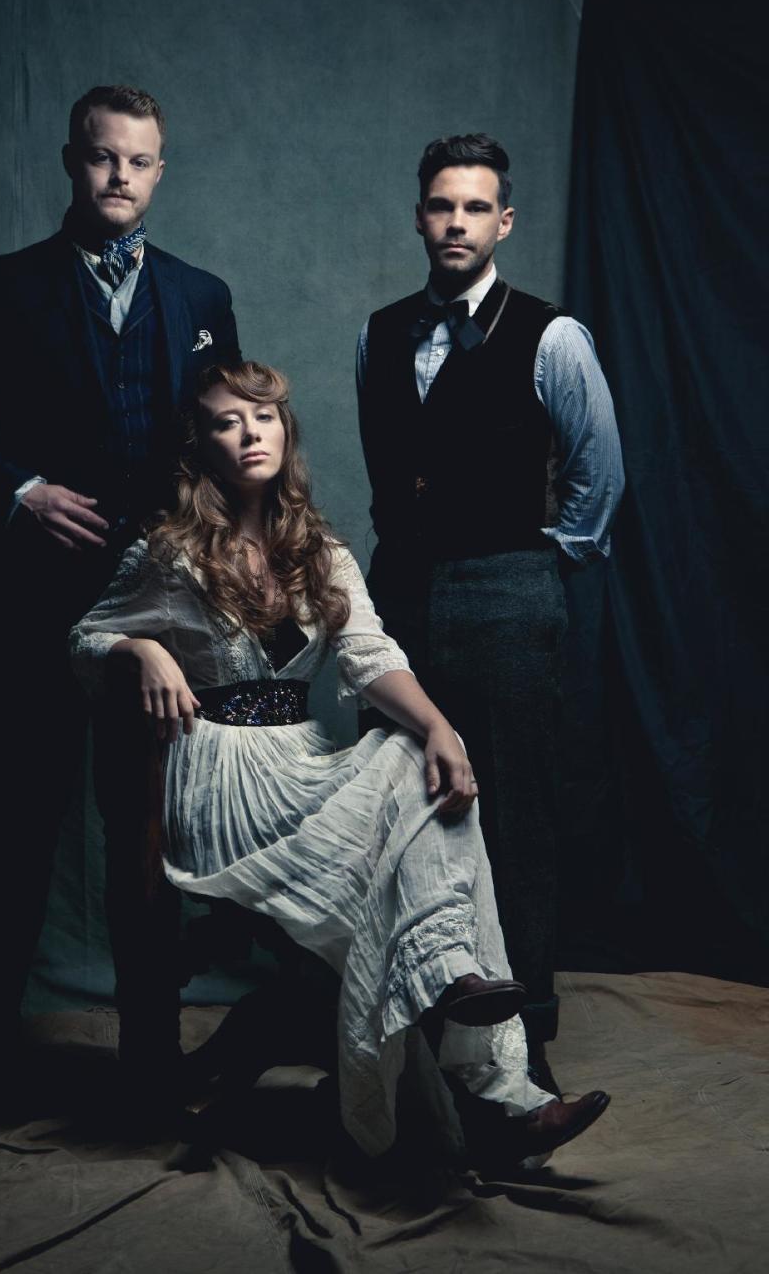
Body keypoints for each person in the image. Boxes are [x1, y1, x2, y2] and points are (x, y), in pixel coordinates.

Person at [69, 360, 610, 1167]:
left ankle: (492, 1067)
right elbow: (83, 636)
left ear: (287, 433)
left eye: (265, 419)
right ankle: (479, 1051)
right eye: (226, 422)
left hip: (303, 763)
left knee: (414, 759)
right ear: (203, 446)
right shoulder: (169, 552)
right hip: (218, 775)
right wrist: (139, 645)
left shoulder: (319, 550)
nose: (250, 435)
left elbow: (368, 654)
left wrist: (441, 729)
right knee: (405, 807)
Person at [0, 85, 239, 1109]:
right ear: (71, 161)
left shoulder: (201, 295)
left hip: (158, 615)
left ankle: (149, 1064)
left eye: (139, 161)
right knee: (17, 824)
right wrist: (19, 491)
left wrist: (212, 557)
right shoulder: (2, 286)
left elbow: (226, 444)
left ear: (160, 170)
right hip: (32, 605)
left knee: (147, 833)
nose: (120, 177)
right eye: (102, 158)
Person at [356, 134, 624, 1092]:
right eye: (440, 206)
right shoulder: (377, 334)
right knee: (398, 803)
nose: (456, 222)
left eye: (475, 208)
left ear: (503, 222)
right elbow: (392, 471)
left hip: (511, 591)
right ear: (419, 216)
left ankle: (526, 1039)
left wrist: (538, 561)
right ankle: (413, 1031)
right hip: (400, 596)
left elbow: (599, 477)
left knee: (510, 814)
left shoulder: (551, 335)